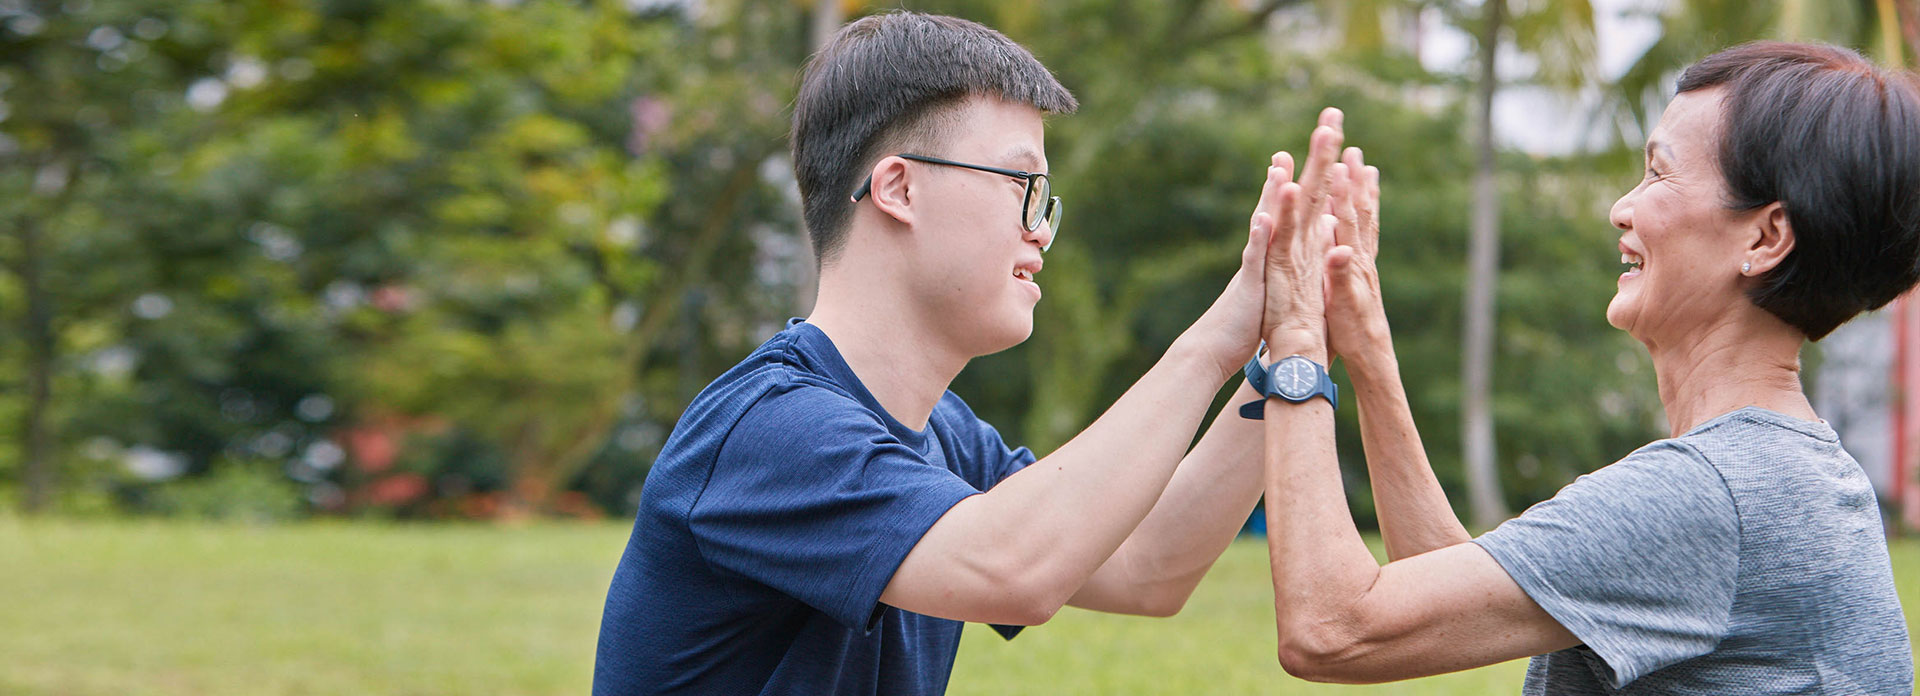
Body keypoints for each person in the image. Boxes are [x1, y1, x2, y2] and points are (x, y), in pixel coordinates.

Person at [592, 12, 1346, 695]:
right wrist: (1215, 338)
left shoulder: (943, 435)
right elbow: (1014, 568)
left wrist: (1291, 346)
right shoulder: (768, 429)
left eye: (1047, 199)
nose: (1042, 230)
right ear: (899, 189)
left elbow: (1150, 568)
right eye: (1024, 184)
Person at [1247, 41, 1917, 693]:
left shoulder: (1709, 496)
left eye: (1659, 173)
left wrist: (1298, 339)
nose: (1620, 208)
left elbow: (1331, 627)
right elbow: (1453, 597)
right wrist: (1370, 359)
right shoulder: (1785, 473)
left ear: (1765, 237)